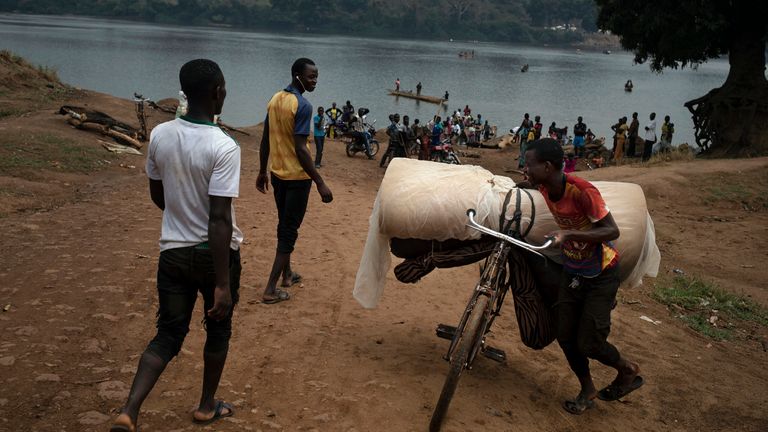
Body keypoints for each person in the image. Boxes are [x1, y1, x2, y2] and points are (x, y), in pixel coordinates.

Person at [110, 59, 243, 432]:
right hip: (214, 257)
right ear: (218, 92)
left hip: (172, 254)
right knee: (218, 330)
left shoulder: (161, 135)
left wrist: (182, 214)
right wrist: (221, 283)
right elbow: (219, 219)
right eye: (225, 88)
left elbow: (160, 195)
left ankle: (129, 410)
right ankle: (205, 406)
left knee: (168, 334)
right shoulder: (224, 147)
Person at [521, 138, 643, 416]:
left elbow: (612, 231)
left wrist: (570, 234)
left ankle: (627, 369)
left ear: (548, 166)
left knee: (589, 342)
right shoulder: (543, 185)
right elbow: (527, 185)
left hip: (601, 274)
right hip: (573, 271)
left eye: (529, 164)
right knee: (565, 336)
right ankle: (587, 388)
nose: (525, 168)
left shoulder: (582, 192)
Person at [256, 58, 333, 305]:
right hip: (297, 179)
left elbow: (266, 139)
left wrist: (262, 170)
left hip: (278, 175)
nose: (315, 81)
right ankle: (270, 289)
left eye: (316, 76)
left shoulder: (275, 99)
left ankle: (287, 275)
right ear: (297, 75)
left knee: (284, 225)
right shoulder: (302, 105)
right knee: (289, 231)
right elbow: (301, 149)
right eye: (311, 77)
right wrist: (319, 181)